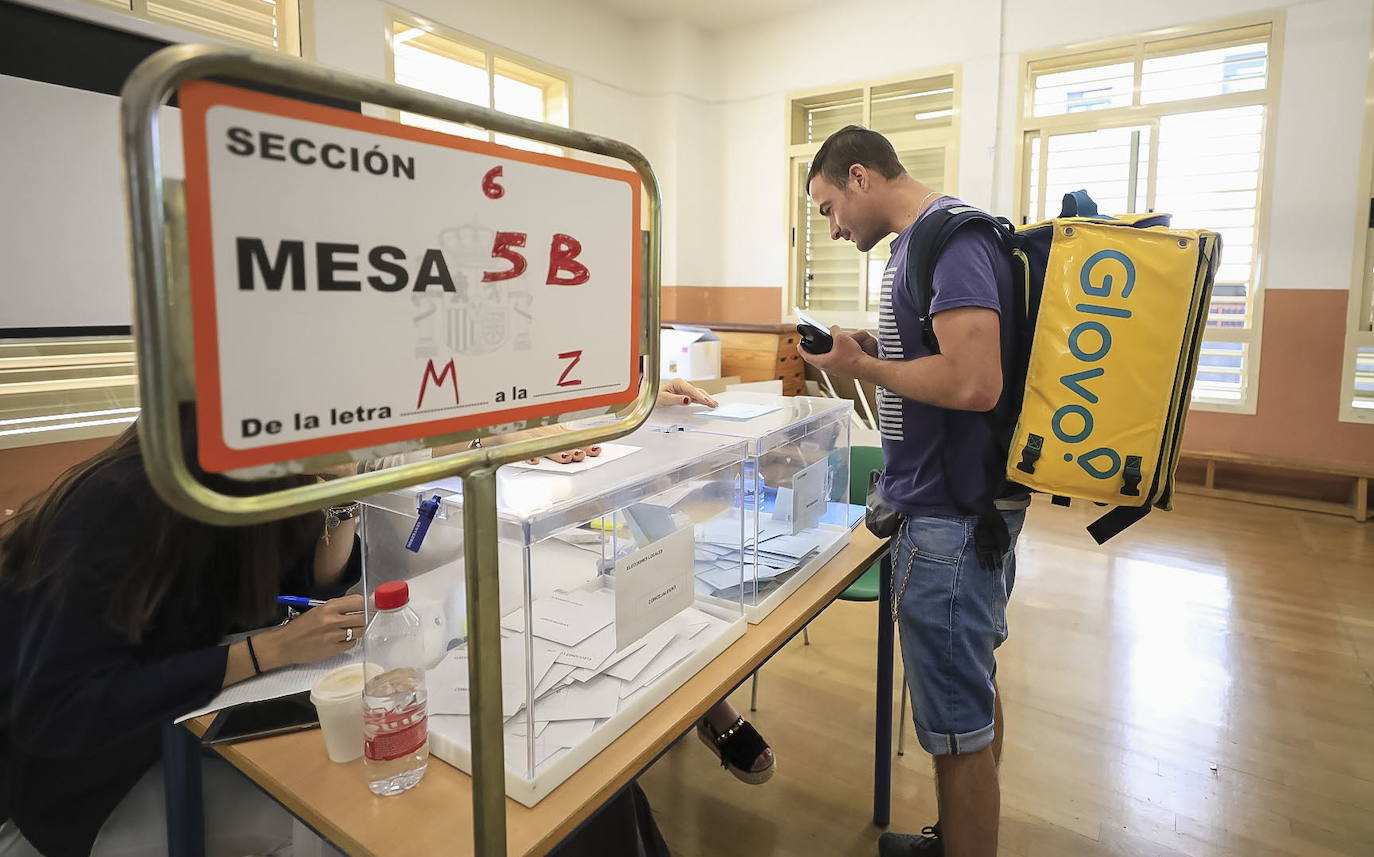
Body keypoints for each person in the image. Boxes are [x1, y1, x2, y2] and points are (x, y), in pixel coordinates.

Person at [797, 125, 1028, 857]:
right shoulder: (914, 249)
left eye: (831, 207)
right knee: (970, 699)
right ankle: (957, 834)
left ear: (860, 177)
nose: (833, 229)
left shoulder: (951, 240)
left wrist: (863, 370)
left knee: (957, 731)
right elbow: (938, 357)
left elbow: (973, 379)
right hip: (949, 513)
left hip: (952, 522)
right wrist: (874, 348)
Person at [0, 420, 365, 857]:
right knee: (331, 830)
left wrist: (341, 493)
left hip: (174, 735)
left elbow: (302, 592)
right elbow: (63, 709)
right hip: (83, 784)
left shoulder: (251, 483)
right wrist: (267, 651)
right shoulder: (120, 501)